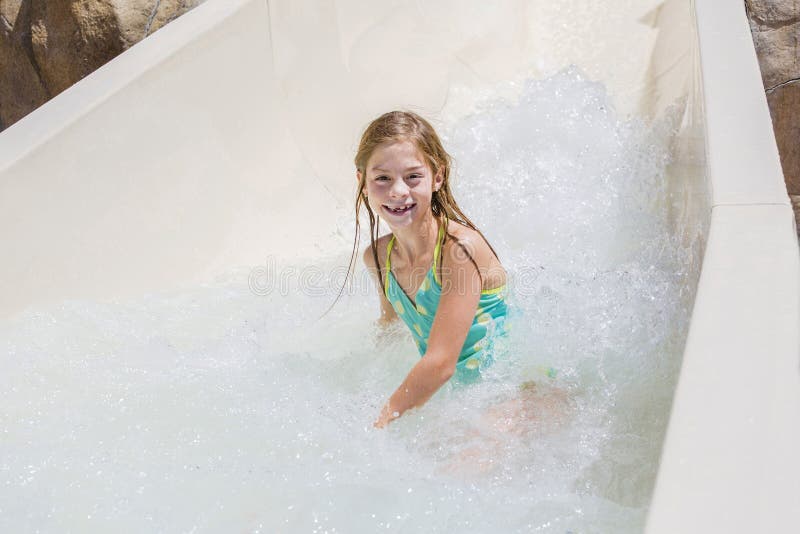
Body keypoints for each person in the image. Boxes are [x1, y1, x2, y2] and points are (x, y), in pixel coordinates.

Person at [350, 110, 509, 428]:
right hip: (459, 398)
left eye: (413, 177)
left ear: (437, 177)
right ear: (362, 182)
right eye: (382, 178)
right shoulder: (379, 258)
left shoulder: (459, 250)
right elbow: (391, 331)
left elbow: (440, 364)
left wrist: (378, 423)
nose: (398, 191)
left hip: (510, 390)